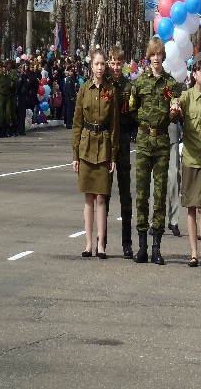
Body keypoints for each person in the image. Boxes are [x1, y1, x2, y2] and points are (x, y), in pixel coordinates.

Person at [129, 37, 180, 265]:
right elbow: (131, 107)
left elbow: (173, 112)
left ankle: (156, 247)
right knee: (141, 193)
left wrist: (175, 112)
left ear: (163, 57)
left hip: (161, 141)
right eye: (153, 55)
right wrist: (141, 121)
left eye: (159, 55)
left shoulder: (170, 85)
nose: (156, 59)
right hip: (143, 141)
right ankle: (141, 246)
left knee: (159, 194)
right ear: (148, 57)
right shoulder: (140, 83)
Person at [171, 53, 201, 267]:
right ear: (193, 74)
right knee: (191, 206)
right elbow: (175, 105)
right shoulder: (187, 95)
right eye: (200, 71)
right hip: (190, 156)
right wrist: (174, 107)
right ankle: (193, 252)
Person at [72, 49, 119, 259]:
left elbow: (115, 125)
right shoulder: (84, 90)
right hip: (86, 146)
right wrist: (75, 155)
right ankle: (88, 244)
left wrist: (114, 156)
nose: (100, 68)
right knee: (88, 197)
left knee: (102, 197)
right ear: (91, 66)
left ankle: (101, 244)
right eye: (96, 64)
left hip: (104, 146)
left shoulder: (111, 90)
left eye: (102, 64)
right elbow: (77, 123)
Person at [107, 45, 135, 259]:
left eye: (119, 63)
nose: (116, 67)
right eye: (113, 63)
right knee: (103, 195)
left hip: (124, 143)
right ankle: (102, 241)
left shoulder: (129, 87)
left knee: (125, 195)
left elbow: (133, 113)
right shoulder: (105, 86)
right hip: (106, 144)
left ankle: (127, 242)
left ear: (123, 64)